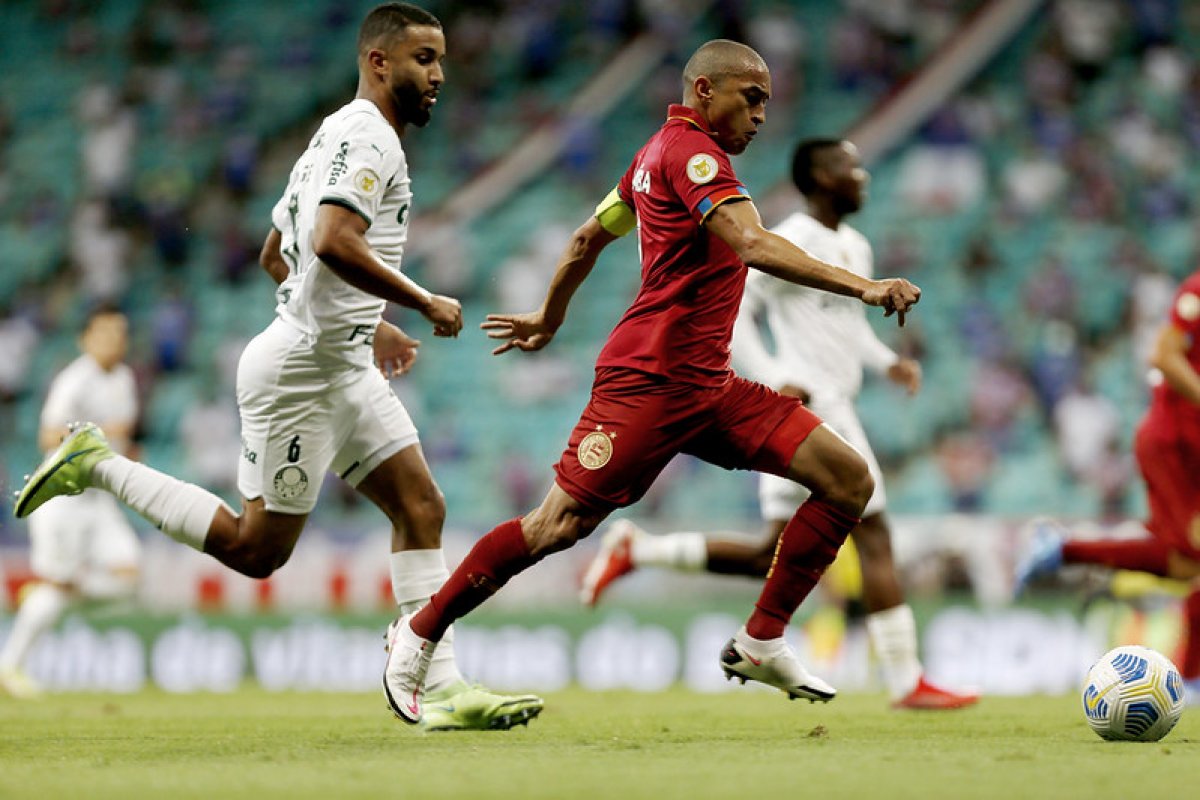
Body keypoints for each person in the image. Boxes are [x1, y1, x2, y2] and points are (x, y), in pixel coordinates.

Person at [14, 3, 542, 731]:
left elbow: (277, 253)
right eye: (424, 59)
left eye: (441, 59)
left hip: (342, 362)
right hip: (299, 373)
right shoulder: (369, 141)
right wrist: (420, 302)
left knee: (422, 506)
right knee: (255, 550)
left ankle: (432, 677)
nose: (439, 75)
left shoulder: (330, 135)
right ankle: (98, 462)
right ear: (378, 61)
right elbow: (328, 239)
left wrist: (370, 322)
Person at [380, 39, 921, 721]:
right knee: (556, 526)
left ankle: (762, 640)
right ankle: (417, 633)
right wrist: (866, 287)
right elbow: (751, 243)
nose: (758, 115)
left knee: (847, 478)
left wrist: (550, 317)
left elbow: (587, 238)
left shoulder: (648, 159)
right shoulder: (694, 156)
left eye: (766, 103)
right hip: (647, 382)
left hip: (710, 388)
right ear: (703, 92)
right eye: (748, 98)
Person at [579, 139, 978, 710]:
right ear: (818, 177)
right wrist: (770, 375)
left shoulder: (856, 245)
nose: (863, 175)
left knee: (767, 553)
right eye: (851, 166)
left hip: (835, 397)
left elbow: (847, 325)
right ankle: (905, 679)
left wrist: (886, 362)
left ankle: (639, 550)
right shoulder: (789, 236)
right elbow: (739, 311)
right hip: (813, 404)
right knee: (875, 530)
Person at [1016, 267, 1200, 698]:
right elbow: (1165, 355)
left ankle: (1063, 548)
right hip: (1172, 441)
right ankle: (1191, 678)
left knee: (1183, 563)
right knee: (1191, 557)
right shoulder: (1196, 290)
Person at [0, 305, 140, 698]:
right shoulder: (73, 381)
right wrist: (92, 435)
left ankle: (49, 592)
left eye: (121, 332)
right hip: (62, 499)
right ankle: (10, 667)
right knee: (60, 589)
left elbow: (122, 436)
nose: (115, 341)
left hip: (98, 500)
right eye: (106, 333)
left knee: (128, 578)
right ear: (86, 339)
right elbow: (48, 438)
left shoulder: (125, 379)